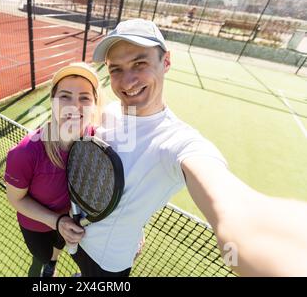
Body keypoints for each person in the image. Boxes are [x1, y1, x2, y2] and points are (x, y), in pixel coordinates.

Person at [66, 19, 307, 277]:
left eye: (140, 63)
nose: (127, 81)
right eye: (116, 69)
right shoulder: (110, 111)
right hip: (76, 240)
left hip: (109, 265)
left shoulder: (178, 142)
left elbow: (235, 207)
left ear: (166, 61)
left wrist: (256, 234)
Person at [4, 62, 100, 277]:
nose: (74, 106)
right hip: (37, 225)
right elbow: (16, 200)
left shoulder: (98, 139)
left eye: (84, 97)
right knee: (45, 255)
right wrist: (56, 221)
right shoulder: (24, 153)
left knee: (61, 243)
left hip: (72, 217)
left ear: (95, 104)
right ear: (52, 102)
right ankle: (50, 266)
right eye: (65, 96)